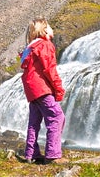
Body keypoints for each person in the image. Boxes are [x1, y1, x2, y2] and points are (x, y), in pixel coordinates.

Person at [19, 18, 66, 164]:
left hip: (32, 90)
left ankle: (31, 153)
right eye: (50, 27)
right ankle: (52, 154)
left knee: (34, 121)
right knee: (56, 117)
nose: (53, 30)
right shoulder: (45, 45)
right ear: (44, 30)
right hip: (42, 88)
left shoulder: (30, 48)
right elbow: (50, 69)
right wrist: (58, 88)